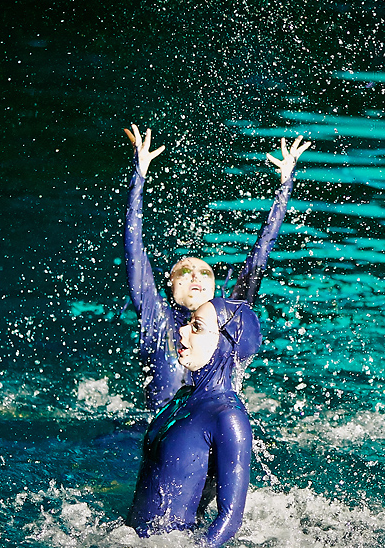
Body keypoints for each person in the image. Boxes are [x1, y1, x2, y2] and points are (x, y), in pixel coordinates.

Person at [124, 123, 310, 409]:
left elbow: (261, 252)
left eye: (205, 273)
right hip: (159, 424)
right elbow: (134, 248)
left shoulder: (229, 316)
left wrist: (285, 184)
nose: (196, 276)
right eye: (185, 273)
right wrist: (140, 176)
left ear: (214, 286)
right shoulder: (155, 316)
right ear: (169, 285)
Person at [127, 297, 259, 548]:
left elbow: (230, 519)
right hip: (129, 545)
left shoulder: (227, 417)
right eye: (188, 322)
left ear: (225, 343)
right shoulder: (182, 398)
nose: (182, 329)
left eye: (196, 327)